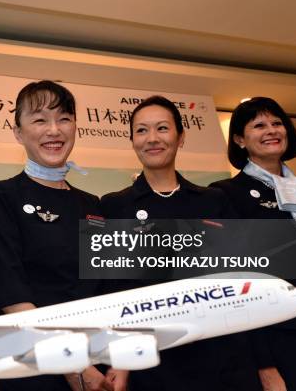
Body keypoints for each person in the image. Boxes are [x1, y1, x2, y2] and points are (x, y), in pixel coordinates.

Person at [100, 95, 261, 391]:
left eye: (162, 128)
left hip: (221, 357)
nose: (152, 139)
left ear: (180, 137)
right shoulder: (114, 207)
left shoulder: (215, 201)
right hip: (152, 363)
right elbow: (115, 294)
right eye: (141, 130)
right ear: (132, 140)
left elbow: (240, 278)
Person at [0, 80, 127, 391]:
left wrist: (119, 361)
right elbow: (11, 294)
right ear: (18, 132)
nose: (54, 130)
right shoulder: (2, 195)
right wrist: (75, 367)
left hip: (97, 366)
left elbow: (109, 290)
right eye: (39, 120)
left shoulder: (91, 205)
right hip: (35, 368)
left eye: (64, 118)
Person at [210, 97, 296, 391]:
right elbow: (239, 280)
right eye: (259, 125)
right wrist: (263, 363)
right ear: (239, 139)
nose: (272, 130)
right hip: (280, 335)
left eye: (277, 123)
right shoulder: (226, 193)